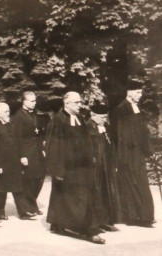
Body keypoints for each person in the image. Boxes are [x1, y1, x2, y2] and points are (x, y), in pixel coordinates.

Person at [46, 91, 105, 244]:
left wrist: (91, 156)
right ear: (67, 103)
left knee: (82, 196)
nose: (80, 105)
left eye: (80, 102)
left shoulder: (79, 118)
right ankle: (85, 229)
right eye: (77, 103)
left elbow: (86, 140)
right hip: (67, 168)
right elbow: (53, 146)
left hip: (82, 167)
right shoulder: (57, 120)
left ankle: (66, 224)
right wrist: (57, 170)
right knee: (70, 198)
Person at [111, 81, 155, 227]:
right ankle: (134, 216)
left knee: (141, 182)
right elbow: (121, 135)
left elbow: (142, 132)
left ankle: (145, 215)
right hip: (127, 154)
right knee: (130, 183)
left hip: (138, 153)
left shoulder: (136, 108)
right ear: (129, 93)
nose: (140, 95)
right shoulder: (121, 109)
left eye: (140, 92)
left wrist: (148, 150)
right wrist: (122, 157)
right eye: (137, 92)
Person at [0, 102, 34, 220]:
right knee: (0, 190)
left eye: (8, 111)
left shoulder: (11, 125)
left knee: (18, 188)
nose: (8, 114)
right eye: (5, 111)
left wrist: (22, 156)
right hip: (2, 163)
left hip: (14, 163)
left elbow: (19, 142)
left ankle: (24, 212)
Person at [86, 103, 121, 232]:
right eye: (102, 117)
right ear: (93, 115)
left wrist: (114, 162)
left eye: (105, 117)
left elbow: (111, 146)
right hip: (95, 165)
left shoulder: (105, 126)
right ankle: (95, 222)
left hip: (106, 164)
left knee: (107, 192)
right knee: (96, 191)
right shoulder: (87, 126)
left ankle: (106, 221)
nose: (104, 120)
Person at [12, 91, 46, 216]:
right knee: (29, 179)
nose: (34, 103)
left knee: (40, 177)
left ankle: (32, 202)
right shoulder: (18, 117)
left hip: (36, 151)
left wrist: (42, 148)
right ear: (24, 102)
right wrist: (22, 155)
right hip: (27, 152)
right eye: (32, 101)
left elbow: (38, 133)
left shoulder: (34, 114)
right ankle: (28, 207)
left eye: (35, 101)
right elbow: (18, 138)